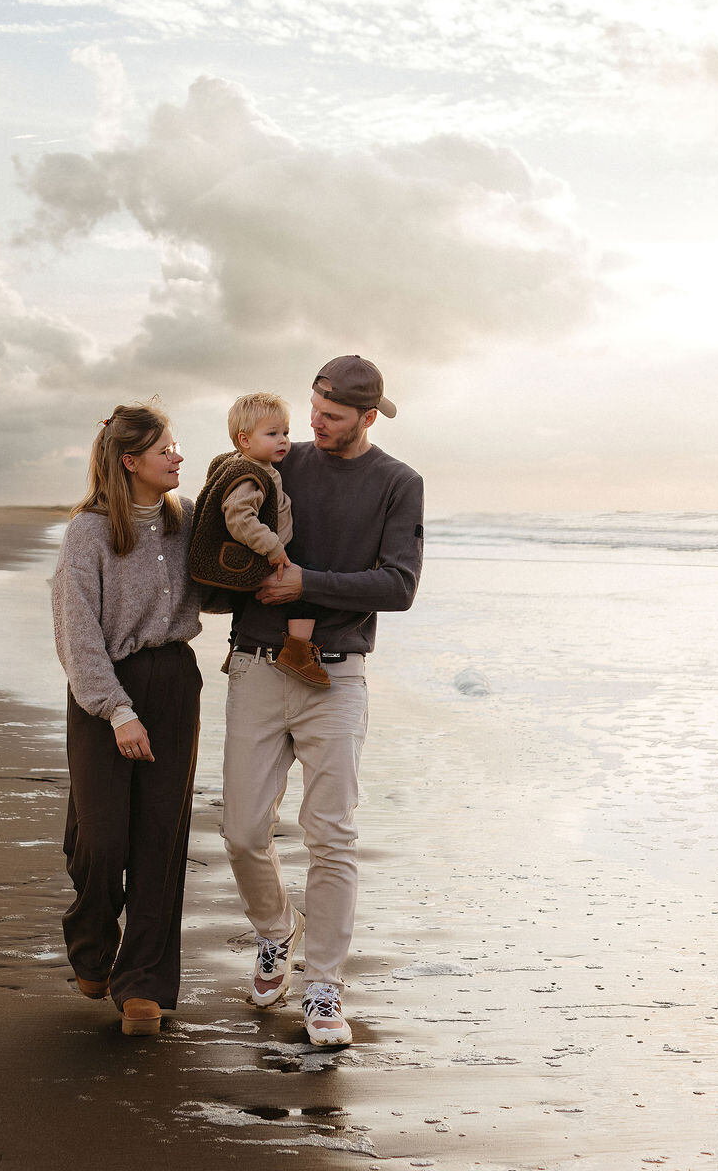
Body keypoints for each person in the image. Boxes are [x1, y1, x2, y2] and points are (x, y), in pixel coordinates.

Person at [220, 356, 424, 1046]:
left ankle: (325, 988)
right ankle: (279, 930)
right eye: (313, 409)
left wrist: (306, 581)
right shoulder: (279, 464)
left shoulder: (399, 483)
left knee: (331, 836)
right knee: (243, 831)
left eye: (332, 417)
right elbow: (223, 529)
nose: (313, 424)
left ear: (368, 417)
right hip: (257, 665)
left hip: (337, 677)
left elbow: (398, 586)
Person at [51, 403, 203, 1036]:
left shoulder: (186, 520)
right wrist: (117, 710)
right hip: (105, 691)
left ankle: (141, 984)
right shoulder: (88, 533)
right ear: (130, 461)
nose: (178, 457)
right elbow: (76, 631)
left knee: (160, 840)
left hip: (174, 681)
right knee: (102, 839)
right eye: (166, 448)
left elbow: (232, 569)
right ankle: (90, 940)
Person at [188, 391, 329, 686]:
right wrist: (273, 547)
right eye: (272, 433)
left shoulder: (252, 465)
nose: (283, 440)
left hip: (260, 551)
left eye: (285, 433)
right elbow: (239, 516)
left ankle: (234, 645)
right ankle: (298, 651)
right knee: (304, 588)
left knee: (244, 608)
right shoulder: (251, 473)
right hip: (263, 552)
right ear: (245, 440)